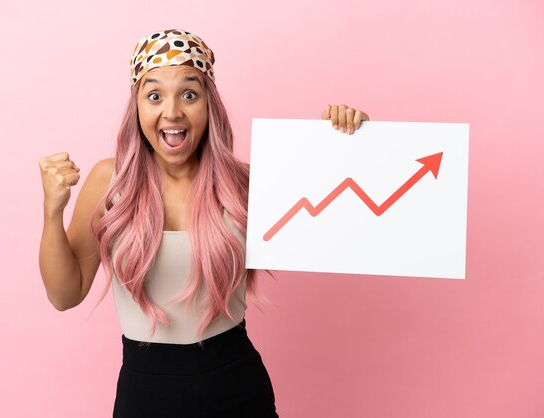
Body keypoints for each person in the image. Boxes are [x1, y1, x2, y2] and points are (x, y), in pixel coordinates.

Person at [38, 28, 369, 418]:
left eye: (189, 94)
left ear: (209, 106)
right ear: (137, 107)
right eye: (155, 95)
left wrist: (348, 142)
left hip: (237, 387)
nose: (173, 111)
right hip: (145, 393)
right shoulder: (110, 182)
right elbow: (65, 295)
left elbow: (345, 215)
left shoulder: (245, 184)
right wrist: (52, 210)